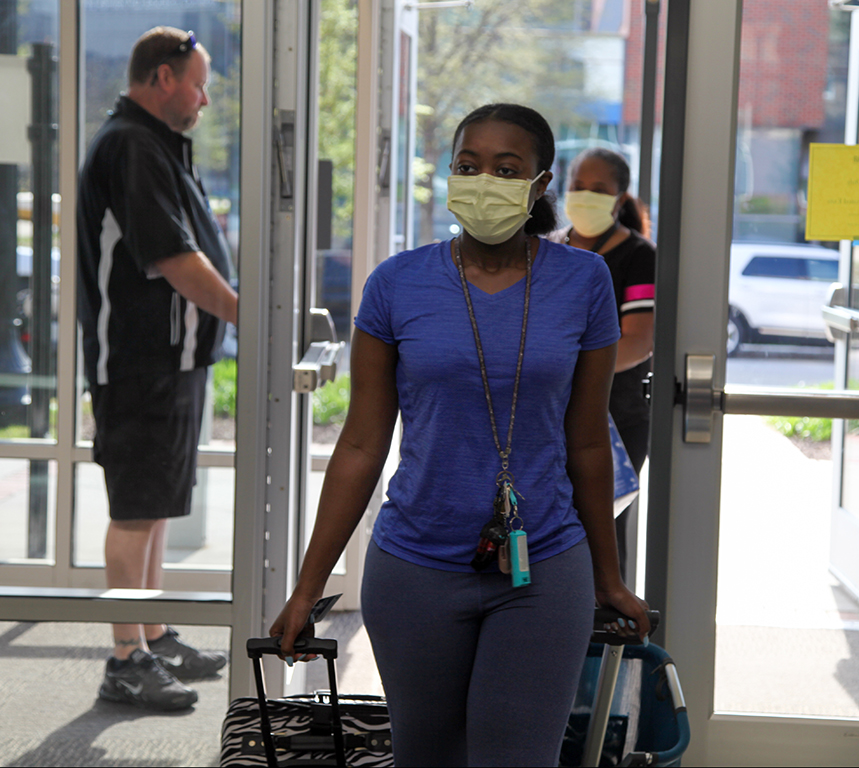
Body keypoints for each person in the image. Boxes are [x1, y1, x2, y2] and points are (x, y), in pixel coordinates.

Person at [270, 103, 649, 767]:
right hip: (414, 565)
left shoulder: (583, 281)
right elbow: (361, 445)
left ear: (540, 184)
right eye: (468, 166)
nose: (483, 182)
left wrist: (608, 577)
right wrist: (308, 586)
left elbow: (589, 441)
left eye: (506, 169)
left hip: (546, 565)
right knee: (428, 756)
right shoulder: (395, 284)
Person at [77, 27, 238, 711]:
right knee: (137, 509)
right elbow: (173, 258)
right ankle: (124, 660)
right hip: (139, 361)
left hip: (170, 360)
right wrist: (245, 315)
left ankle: (152, 632)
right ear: (164, 78)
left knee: (158, 503)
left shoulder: (156, 145)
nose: (204, 97)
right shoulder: (132, 145)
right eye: (198, 83)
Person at [550, 148, 656, 577]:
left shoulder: (637, 257)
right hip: (549, 415)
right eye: (578, 187)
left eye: (598, 190)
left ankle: (603, 632)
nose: (585, 197)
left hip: (615, 416)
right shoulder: (548, 250)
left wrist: (564, 368)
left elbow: (638, 341)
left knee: (603, 529)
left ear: (619, 198)